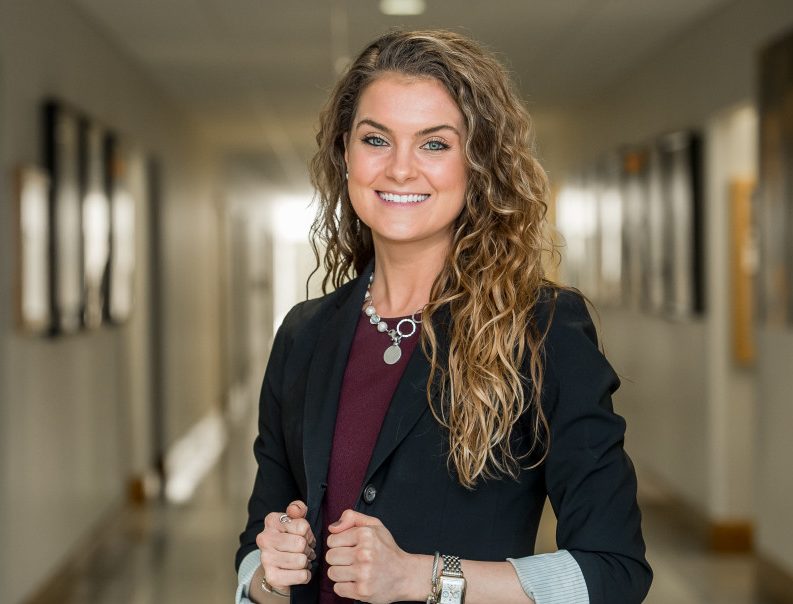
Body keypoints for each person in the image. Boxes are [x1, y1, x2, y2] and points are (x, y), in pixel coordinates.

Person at [235, 29, 651, 604]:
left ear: (477, 163)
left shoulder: (541, 327)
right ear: (345, 154)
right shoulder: (304, 334)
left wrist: (422, 576)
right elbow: (255, 557)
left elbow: (613, 573)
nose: (401, 169)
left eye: (434, 144)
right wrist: (267, 575)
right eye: (376, 139)